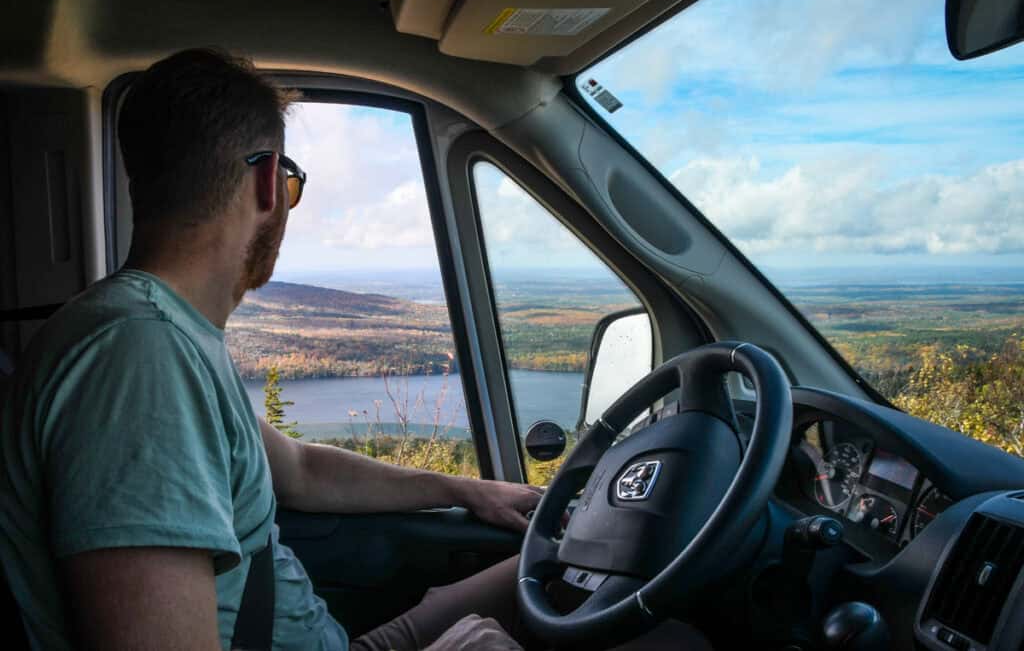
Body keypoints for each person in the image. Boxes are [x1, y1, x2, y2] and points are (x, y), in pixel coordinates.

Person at [0, 48, 713, 651]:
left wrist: (468, 489)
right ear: (267, 183)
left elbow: (303, 470)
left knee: (560, 561)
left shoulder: (167, 335)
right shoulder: (139, 357)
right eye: (290, 185)